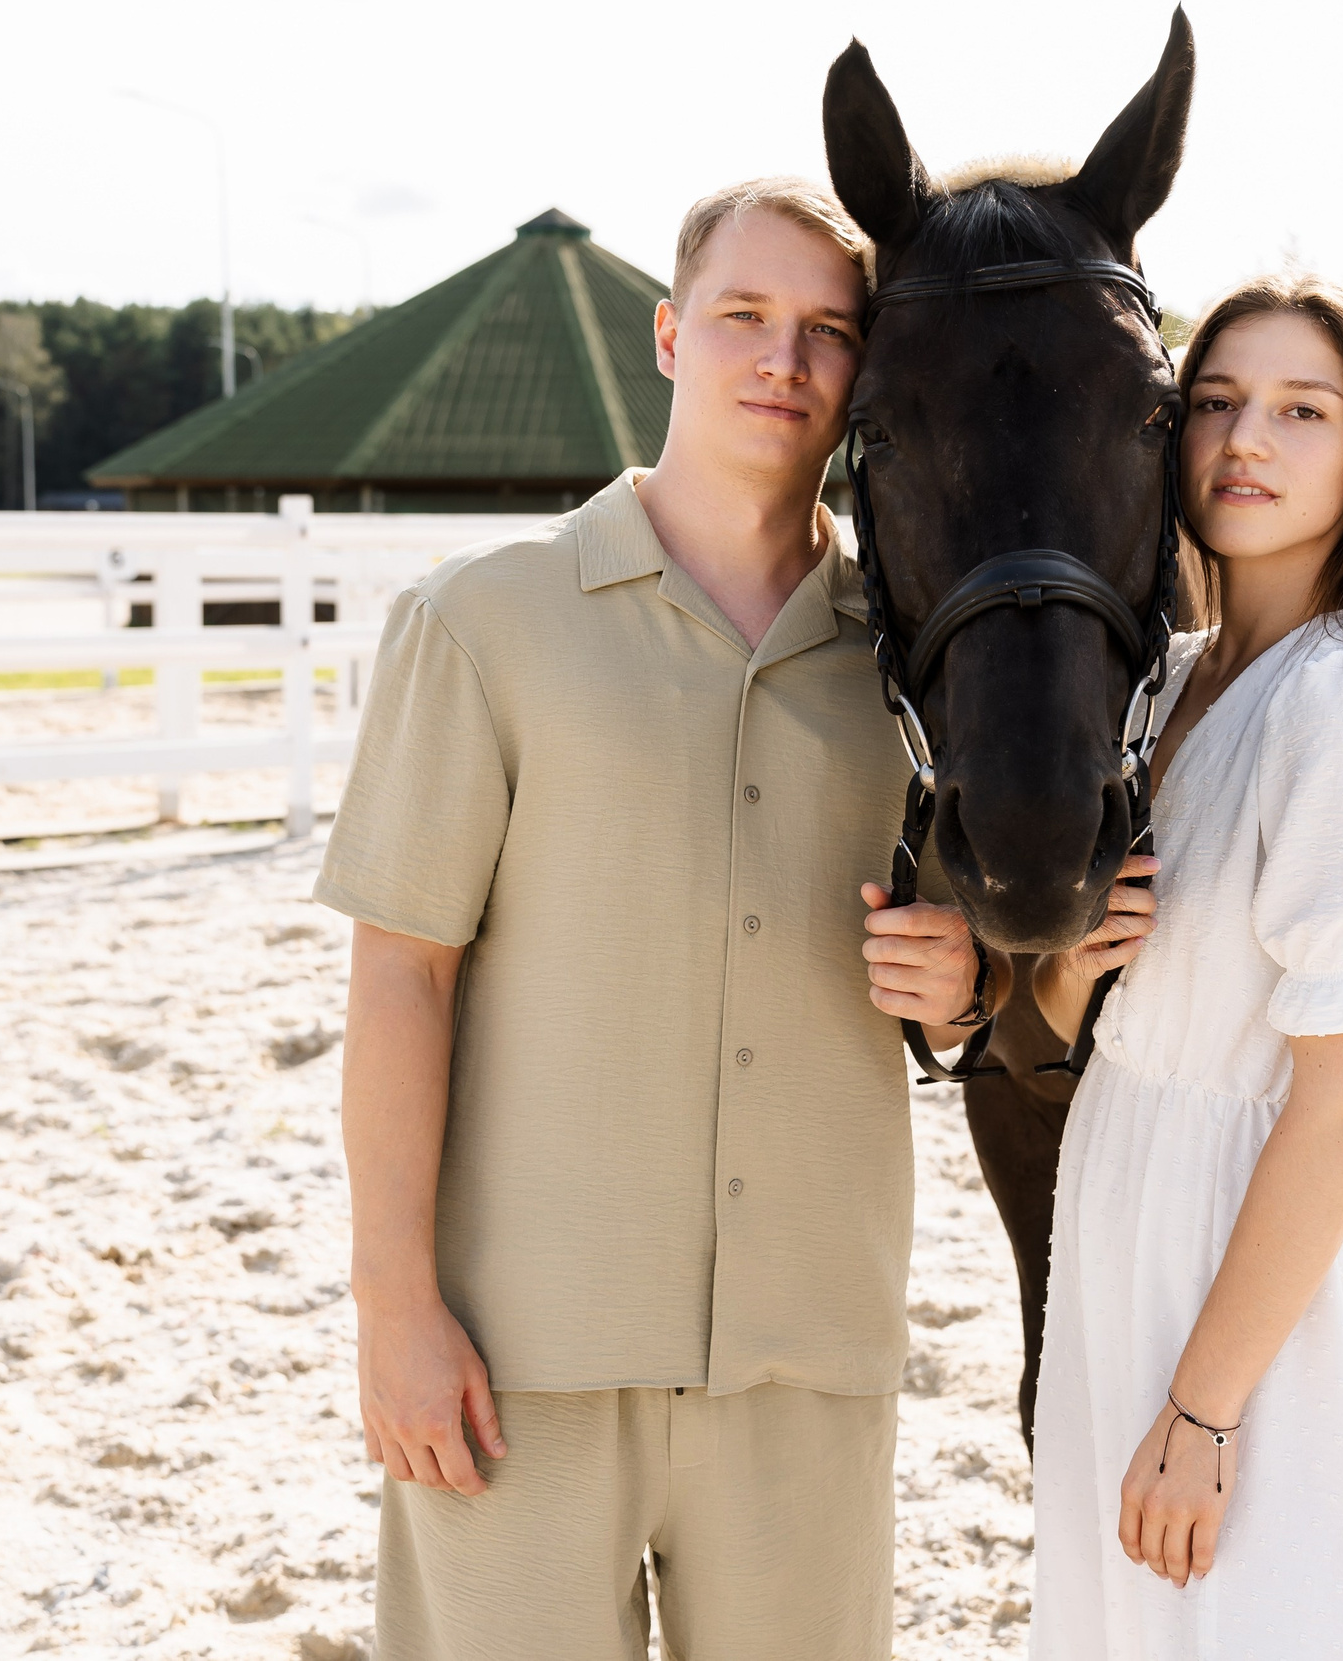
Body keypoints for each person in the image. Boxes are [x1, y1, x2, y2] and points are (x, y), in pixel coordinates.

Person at [315, 179, 1087, 1660]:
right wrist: (394, 1309)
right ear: (671, 336)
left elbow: (982, 986)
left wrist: (964, 988)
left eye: (826, 331)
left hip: (809, 1358)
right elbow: (402, 977)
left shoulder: (915, 668)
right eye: (745, 316)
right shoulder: (483, 623)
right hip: (514, 1360)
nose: (783, 359)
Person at [1026, 271, 1343, 1657]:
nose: (1249, 440)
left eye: (1304, 410)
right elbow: (1098, 1007)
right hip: (1121, 1195)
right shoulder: (1175, 681)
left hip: (1241, 1236)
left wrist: (1204, 1408)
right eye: (1219, 404)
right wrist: (1071, 967)